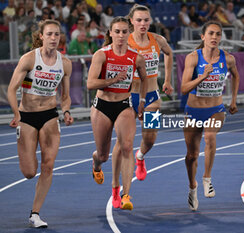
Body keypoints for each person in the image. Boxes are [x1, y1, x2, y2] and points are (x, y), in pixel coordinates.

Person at [7, 19, 74, 228]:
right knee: (29, 172)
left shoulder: (65, 63)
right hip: (26, 116)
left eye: (57, 34)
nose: (54, 38)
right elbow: (11, 89)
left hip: (50, 115)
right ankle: (29, 152)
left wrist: (67, 111)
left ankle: (35, 213)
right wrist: (16, 113)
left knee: (48, 165)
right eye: (50, 34)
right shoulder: (29, 59)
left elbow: (66, 96)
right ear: (41, 36)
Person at [87, 16, 147, 210]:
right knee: (103, 155)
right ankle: (97, 165)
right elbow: (90, 83)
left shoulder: (141, 53)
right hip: (103, 105)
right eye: (117, 32)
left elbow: (146, 79)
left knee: (128, 146)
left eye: (124, 32)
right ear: (110, 33)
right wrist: (113, 80)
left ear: (129, 32)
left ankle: (126, 193)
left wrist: (143, 100)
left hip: (126, 104)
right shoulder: (101, 54)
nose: (121, 35)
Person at [181, 21, 239, 211]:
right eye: (211, 33)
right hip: (194, 111)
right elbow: (183, 89)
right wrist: (202, 77)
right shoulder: (193, 58)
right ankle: (192, 188)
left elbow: (236, 76)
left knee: (210, 136)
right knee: (191, 155)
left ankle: (207, 179)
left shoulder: (228, 58)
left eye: (218, 34)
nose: (214, 37)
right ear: (202, 36)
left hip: (216, 109)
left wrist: (233, 101)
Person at [116, 3, 174, 185]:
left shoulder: (157, 40)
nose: (143, 23)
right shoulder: (124, 41)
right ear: (131, 21)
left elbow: (169, 53)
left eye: (146, 20)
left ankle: (140, 157)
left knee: (149, 139)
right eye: (139, 20)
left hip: (151, 97)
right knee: (125, 141)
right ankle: (120, 186)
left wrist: (167, 80)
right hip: (128, 97)